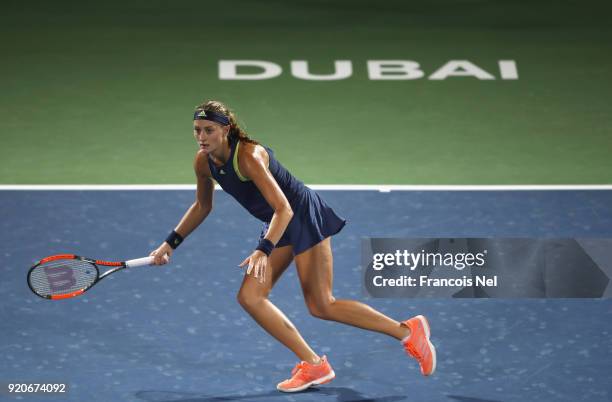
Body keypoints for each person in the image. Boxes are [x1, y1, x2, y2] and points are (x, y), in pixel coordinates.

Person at [150, 100, 437, 392]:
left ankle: (408, 331)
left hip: (300, 215)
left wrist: (263, 249)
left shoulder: (249, 156)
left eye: (208, 130)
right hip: (277, 222)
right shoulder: (203, 162)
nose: (201, 137)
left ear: (225, 129)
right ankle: (314, 365)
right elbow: (202, 205)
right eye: (197, 130)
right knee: (250, 297)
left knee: (322, 305)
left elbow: (284, 209)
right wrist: (170, 244)